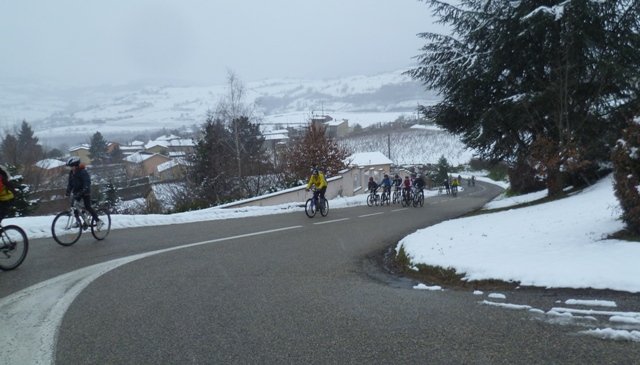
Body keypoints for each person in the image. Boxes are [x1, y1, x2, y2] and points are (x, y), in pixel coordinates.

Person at [66, 157, 102, 228]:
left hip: (85, 192)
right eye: (70, 167)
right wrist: (68, 191)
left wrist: (83, 191)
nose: (71, 168)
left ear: (76, 165)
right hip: (77, 192)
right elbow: (70, 183)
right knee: (74, 206)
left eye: (72, 166)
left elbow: (87, 183)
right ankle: (78, 221)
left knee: (87, 207)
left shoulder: (83, 172)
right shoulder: (72, 173)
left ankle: (98, 221)